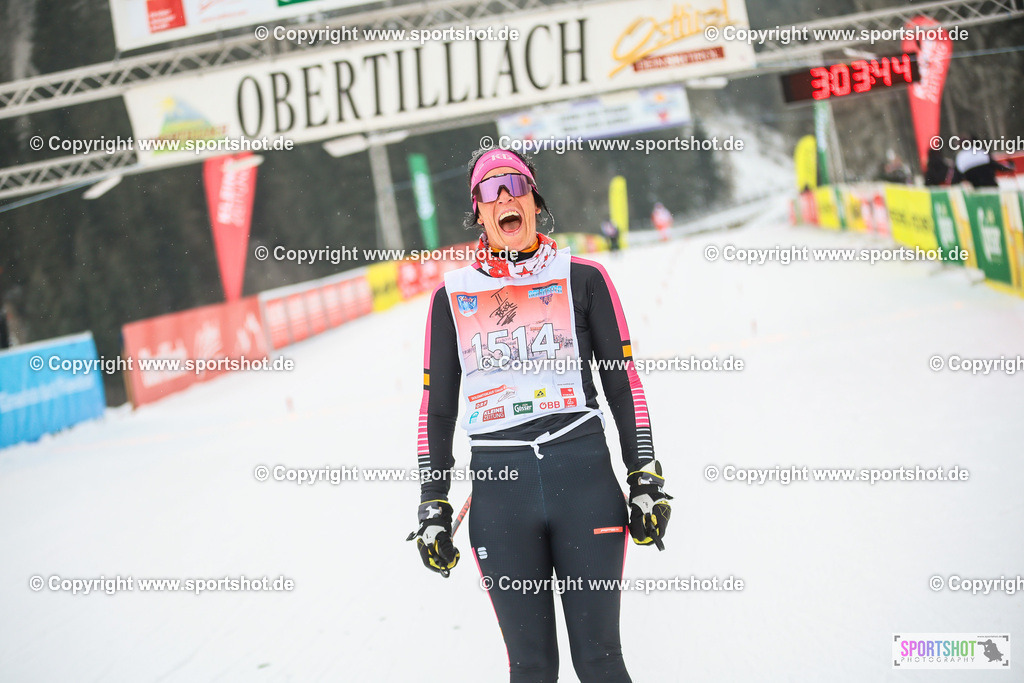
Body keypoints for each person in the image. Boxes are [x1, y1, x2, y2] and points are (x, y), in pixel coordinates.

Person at [409, 147, 671, 683]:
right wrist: (432, 502)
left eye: (515, 185)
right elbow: (436, 411)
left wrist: (644, 472)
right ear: (478, 212)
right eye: (489, 190)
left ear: (534, 200)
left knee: (599, 660)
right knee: (531, 668)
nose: (504, 198)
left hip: (583, 477)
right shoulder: (450, 298)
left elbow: (623, 385)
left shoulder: (584, 277)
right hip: (501, 495)